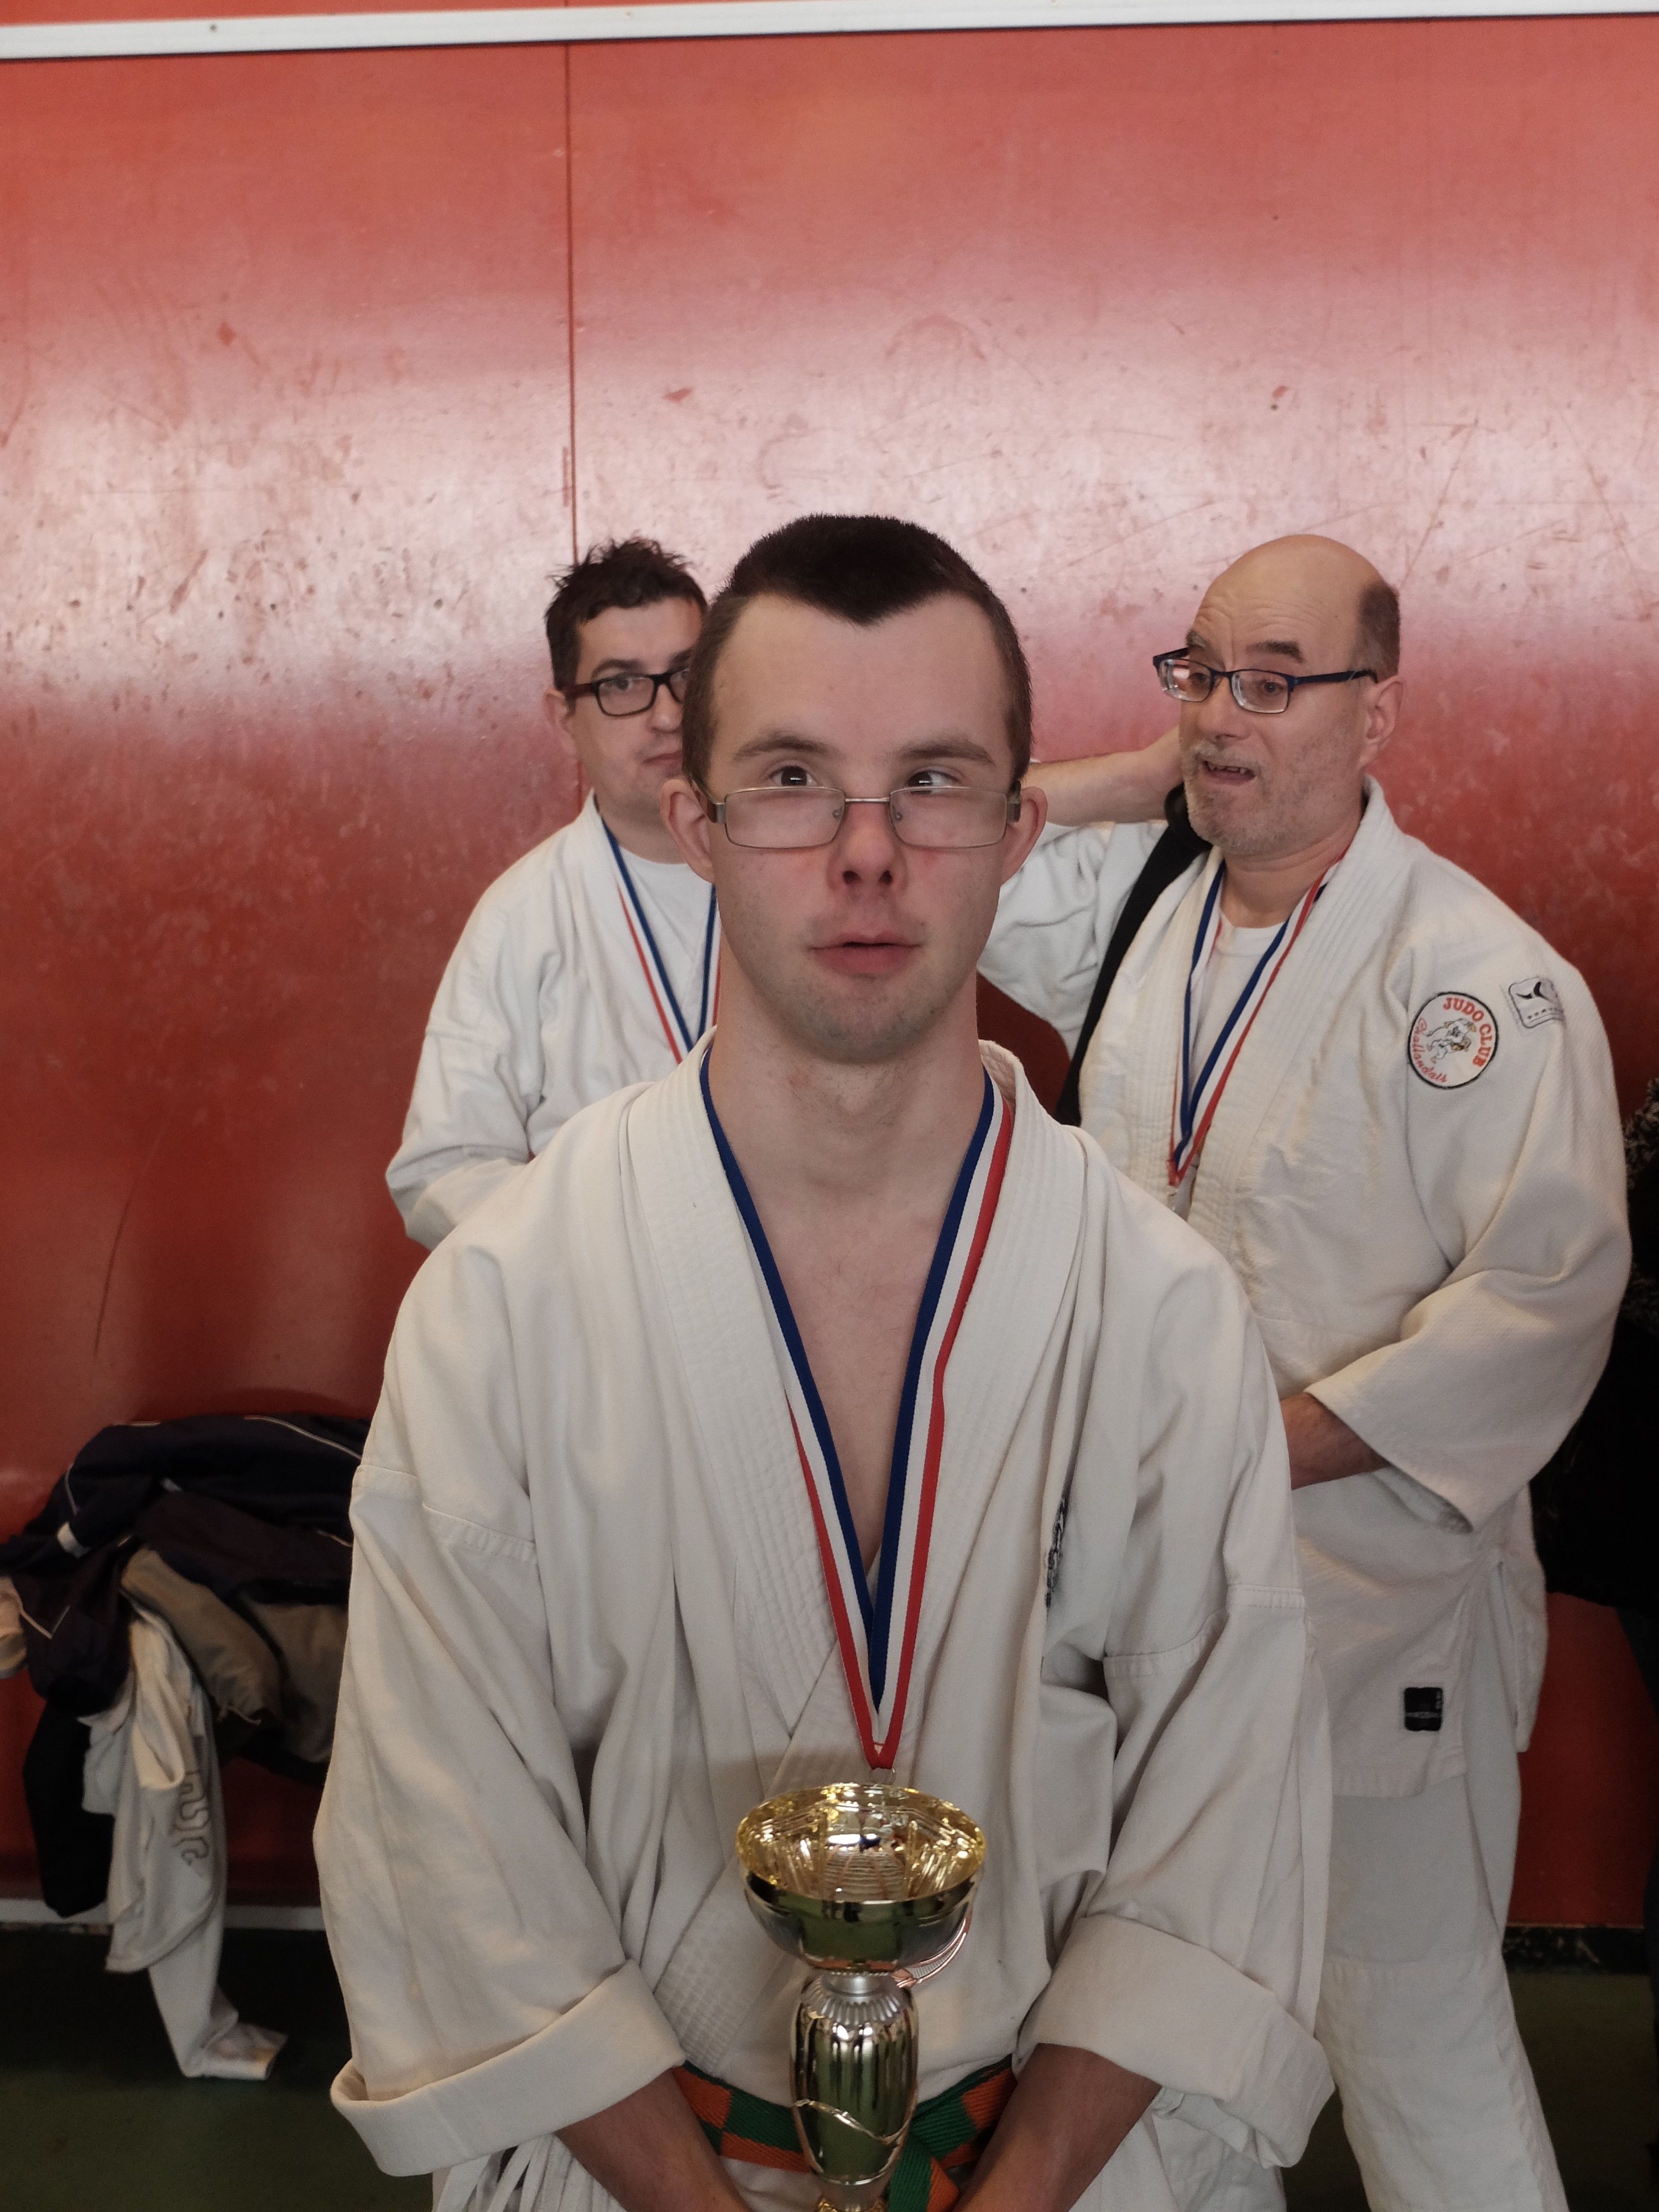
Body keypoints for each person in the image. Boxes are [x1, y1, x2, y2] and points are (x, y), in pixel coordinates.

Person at [317, 515, 1333, 2212]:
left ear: (1016, 833)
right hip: (630, 2173)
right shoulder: (505, 1300)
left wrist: (1020, 2192)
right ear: (698, 827)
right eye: (792, 780)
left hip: (1056, 2169)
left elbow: (1221, 1821)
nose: (868, 854)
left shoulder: (1157, 1307)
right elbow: (445, 1836)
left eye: (932, 782)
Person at [980, 533, 1631, 2212]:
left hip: (1373, 1603)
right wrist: (1154, 766)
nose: (1221, 713)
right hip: (1155, 1594)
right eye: (1198, 672)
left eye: (1273, 682)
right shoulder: (1140, 917)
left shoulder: (1473, 980)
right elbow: (960, 839)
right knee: (1163, 2038)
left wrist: (1262, 1447)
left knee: (1411, 2038)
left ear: (1377, 711)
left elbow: (1542, 1293)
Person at [386, 538, 717, 1248]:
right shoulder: (521, 917)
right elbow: (441, 1171)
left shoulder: (799, 872)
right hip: (603, 1295)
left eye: (688, 674)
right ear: (565, 719)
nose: (667, 714)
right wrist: (595, 1248)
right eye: (622, 685)